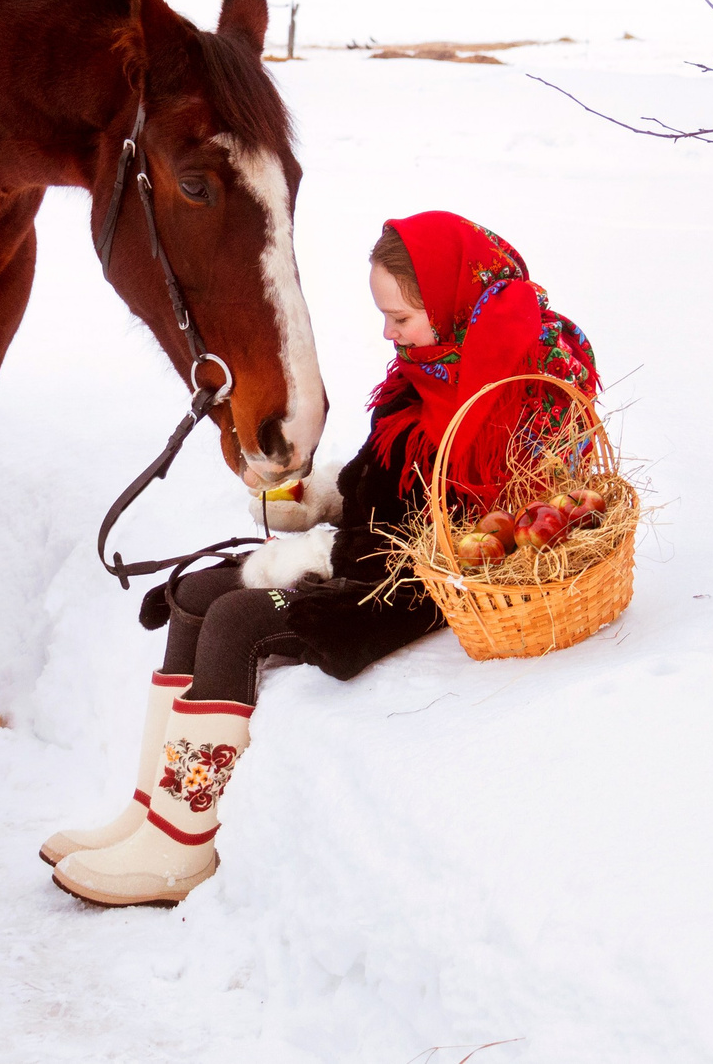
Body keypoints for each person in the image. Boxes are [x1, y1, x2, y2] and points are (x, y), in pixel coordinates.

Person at [44, 211, 600, 906]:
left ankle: (182, 847)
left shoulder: (518, 378)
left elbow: (516, 511)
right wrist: (319, 497)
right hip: (365, 550)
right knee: (195, 592)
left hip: (423, 580)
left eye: (400, 316)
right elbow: (386, 468)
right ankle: (152, 809)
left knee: (238, 618)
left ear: (450, 299)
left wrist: (329, 554)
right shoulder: (425, 370)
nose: (389, 334)